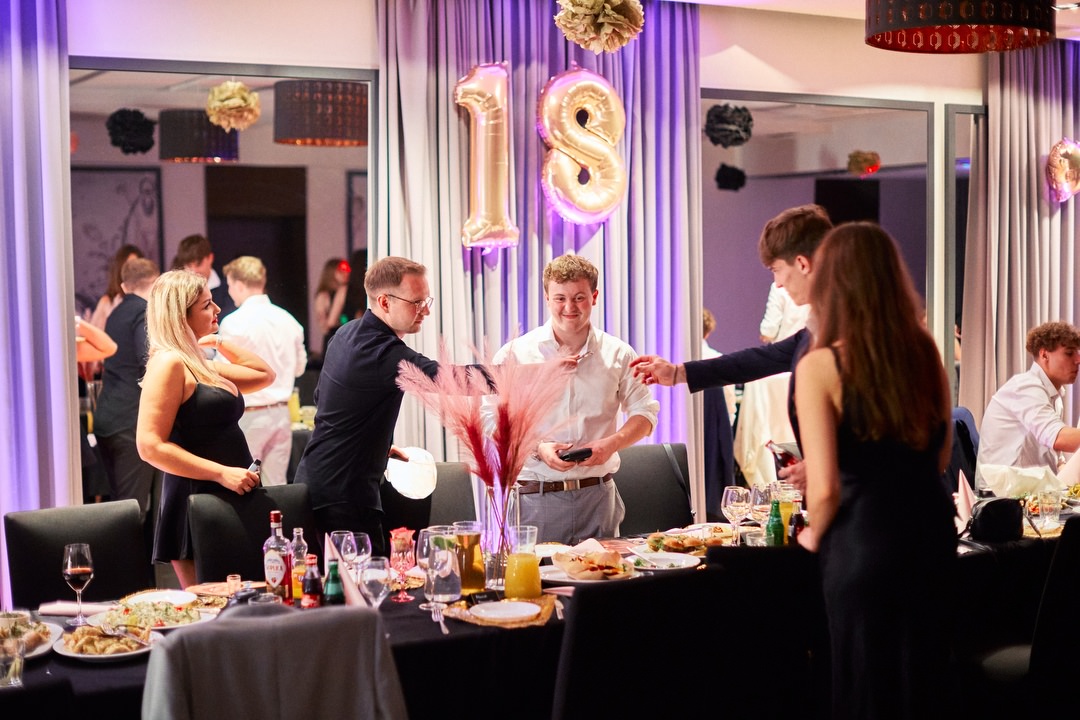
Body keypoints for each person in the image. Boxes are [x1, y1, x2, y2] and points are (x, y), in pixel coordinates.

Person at [794, 221, 955, 718]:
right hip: (931, 534)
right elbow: (941, 455)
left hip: (863, 543)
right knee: (923, 684)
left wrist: (811, 536)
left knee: (867, 688)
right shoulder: (925, 351)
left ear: (830, 285)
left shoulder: (820, 366)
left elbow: (824, 489)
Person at [631, 204, 833, 493]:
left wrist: (825, 467)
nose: (777, 284)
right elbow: (758, 360)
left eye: (777, 270)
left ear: (802, 264)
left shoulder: (848, 331)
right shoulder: (818, 327)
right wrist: (677, 373)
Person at [485, 254, 659, 544]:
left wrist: (612, 443)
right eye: (560, 298)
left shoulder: (619, 354)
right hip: (535, 498)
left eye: (579, 298)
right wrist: (537, 448)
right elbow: (490, 419)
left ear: (594, 297)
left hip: (598, 496)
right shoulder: (515, 354)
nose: (569, 307)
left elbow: (646, 414)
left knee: (605, 574)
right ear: (547, 298)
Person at [294, 256, 442, 557]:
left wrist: (374, 443)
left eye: (426, 301)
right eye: (417, 302)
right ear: (385, 302)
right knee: (366, 582)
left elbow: (324, 399)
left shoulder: (346, 334)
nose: (425, 310)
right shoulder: (384, 352)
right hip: (345, 496)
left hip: (315, 482)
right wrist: (518, 375)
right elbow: (449, 379)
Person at [136, 270, 275, 589]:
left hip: (229, 491)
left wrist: (218, 342)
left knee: (244, 599)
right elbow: (149, 446)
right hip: (198, 496)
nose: (217, 309)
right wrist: (220, 473)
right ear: (180, 316)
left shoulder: (199, 364)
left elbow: (264, 374)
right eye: (206, 305)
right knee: (212, 605)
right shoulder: (169, 363)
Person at [219, 256, 308, 487]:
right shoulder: (288, 320)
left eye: (230, 285)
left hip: (249, 414)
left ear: (239, 284)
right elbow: (299, 368)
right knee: (277, 485)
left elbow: (223, 373)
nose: (229, 292)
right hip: (282, 414)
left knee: (243, 483)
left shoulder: (233, 322)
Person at [975, 321, 1080, 489]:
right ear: (1044, 355)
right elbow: (1059, 438)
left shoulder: (1053, 395)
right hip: (1002, 495)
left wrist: (1065, 472)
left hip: (1027, 490)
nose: (1078, 360)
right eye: (1069, 353)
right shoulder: (1026, 388)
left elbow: (1054, 454)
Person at [95, 257, 161, 522]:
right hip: (131, 421)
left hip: (107, 417)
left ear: (124, 285)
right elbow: (148, 360)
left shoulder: (115, 313)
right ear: (155, 283)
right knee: (133, 511)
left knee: (119, 506)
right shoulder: (144, 312)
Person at [170, 233, 236, 319]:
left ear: (210, 258)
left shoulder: (229, 287)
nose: (194, 271)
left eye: (198, 264)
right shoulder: (177, 292)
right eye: (189, 266)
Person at [90, 243, 144, 330]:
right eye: (128, 265)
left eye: (136, 266)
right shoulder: (107, 302)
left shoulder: (146, 298)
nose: (132, 270)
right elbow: (94, 332)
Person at [314, 257, 351, 356]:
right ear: (332, 273)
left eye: (347, 270)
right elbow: (327, 325)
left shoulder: (350, 292)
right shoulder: (324, 295)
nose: (346, 274)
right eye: (341, 271)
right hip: (334, 339)